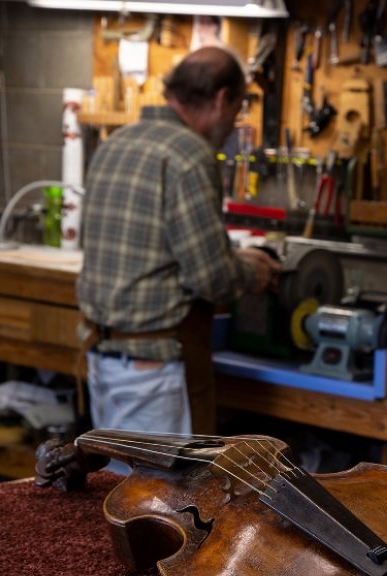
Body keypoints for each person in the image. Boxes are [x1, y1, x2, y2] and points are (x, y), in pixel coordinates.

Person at [76, 46, 280, 443]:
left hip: (103, 358)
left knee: (119, 495)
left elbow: (155, 250)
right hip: (155, 372)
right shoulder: (190, 155)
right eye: (238, 108)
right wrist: (253, 271)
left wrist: (231, 256)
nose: (234, 122)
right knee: (169, 501)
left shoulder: (116, 143)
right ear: (221, 98)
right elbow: (212, 280)